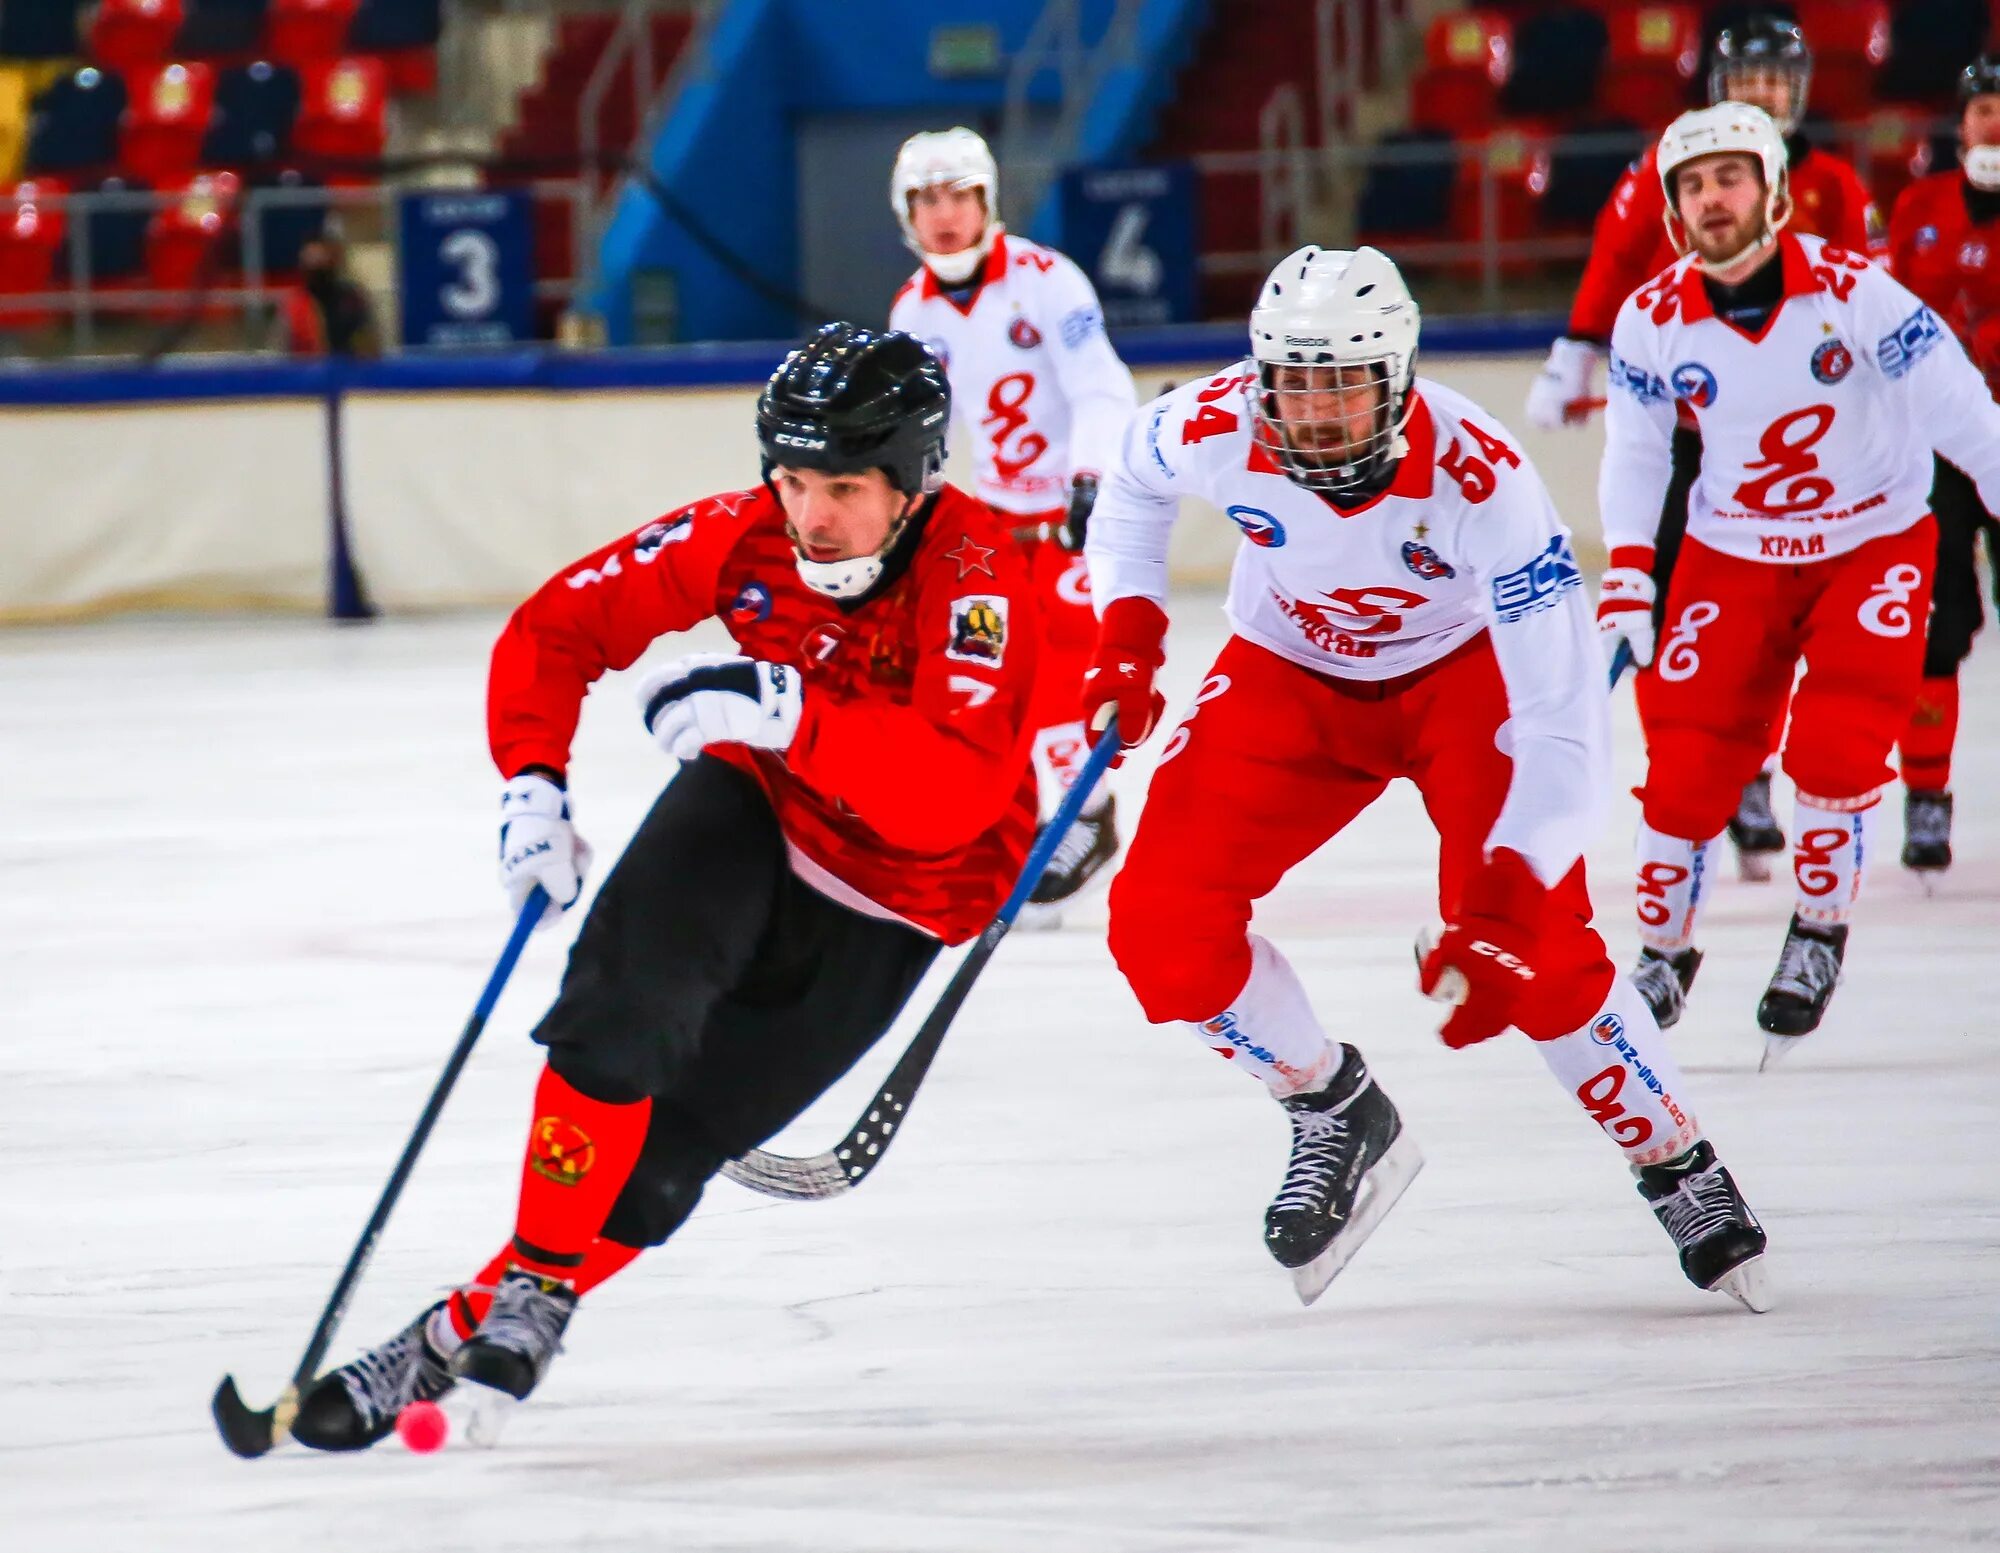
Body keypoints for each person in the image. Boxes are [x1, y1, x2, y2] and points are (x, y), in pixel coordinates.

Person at [285, 324, 1042, 1450]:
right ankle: (538, 1283)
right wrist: (530, 784)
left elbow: (951, 797)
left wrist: (792, 709)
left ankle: (453, 1327)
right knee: (615, 1015)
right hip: (755, 808)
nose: (810, 515)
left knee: (656, 1174)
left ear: (912, 480)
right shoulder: (738, 535)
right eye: (791, 480)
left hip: (900, 893)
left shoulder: (982, 574)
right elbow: (557, 626)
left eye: (841, 486)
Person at [1080, 243, 1768, 1311]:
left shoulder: (1483, 476)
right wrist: (1124, 634)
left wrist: (1504, 894)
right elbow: (1128, 483)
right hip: (1287, 672)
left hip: (1465, 684)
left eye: (1341, 386)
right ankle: (1328, 1104)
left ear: (1396, 379)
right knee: (1155, 927)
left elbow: (1560, 722)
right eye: (1291, 385)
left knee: (1535, 949)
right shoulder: (1214, 422)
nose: (1311, 417)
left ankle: (1674, 1157)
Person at [1596, 104, 2000, 1057]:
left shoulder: (1862, 294)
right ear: (1671, 208)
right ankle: (1662, 952)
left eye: (1729, 178)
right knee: (1687, 759)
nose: (1711, 199)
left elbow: (1963, 412)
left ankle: (1818, 932)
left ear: (1774, 190)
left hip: (1871, 542)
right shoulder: (1651, 318)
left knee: (1840, 742)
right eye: (1691, 185)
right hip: (1732, 549)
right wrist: (1626, 567)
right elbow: (1636, 449)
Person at [1527, 12, 1884, 879]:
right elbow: (1617, 260)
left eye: (1776, 80)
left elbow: (1869, 303)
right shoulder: (1667, 170)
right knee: (1674, 615)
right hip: (1690, 434)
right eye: (1749, 80)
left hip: (1801, 451)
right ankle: (1710, 775)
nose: (1763, 95)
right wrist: (1578, 351)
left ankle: (1754, 774)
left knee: (1779, 619)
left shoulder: (1831, 183)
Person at [889, 127, 1138, 925]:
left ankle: (1088, 814)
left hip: (1066, 514)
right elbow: (921, 431)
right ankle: (1040, 821)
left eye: (958, 194)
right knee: (990, 671)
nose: (944, 214)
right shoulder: (911, 309)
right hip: (996, 520)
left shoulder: (1045, 280)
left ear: (987, 200)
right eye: (926, 199)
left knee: (1068, 665)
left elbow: (1101, 385)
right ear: (907, 215)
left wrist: (1090, 479)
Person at [1882, 53, 2000, 878]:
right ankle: (1926, 797)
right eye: (1984, 109)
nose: (1995, 123)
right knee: (1935, 620)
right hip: (1940, 444)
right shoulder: (1918, 207)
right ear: (1961, 124)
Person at [282, 233, 381, 358]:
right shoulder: (295, 305)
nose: (316, 266)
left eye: (321, 260)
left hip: (348, 372)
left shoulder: (353, 300)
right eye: (310, 261)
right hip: (307, 373)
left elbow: (370, 346)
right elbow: (281, 355)